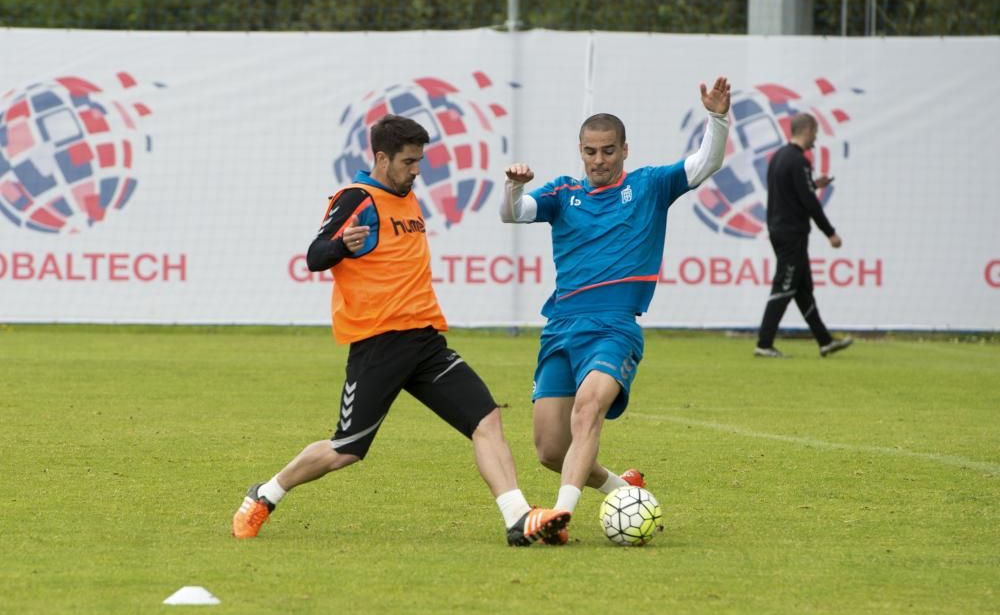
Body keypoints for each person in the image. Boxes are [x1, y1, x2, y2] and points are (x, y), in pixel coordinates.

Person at [232, 114, 569, 546]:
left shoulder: (407, 195)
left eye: (420, 161)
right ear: (381, 157)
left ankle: (518, 518)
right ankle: (265, 494)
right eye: (408, 162)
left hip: (425, 340)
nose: (416, 170)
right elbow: (316, 256)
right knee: (346, 450)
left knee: (486, 419)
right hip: (379, 345)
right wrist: (341, 247)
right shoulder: (357, 197)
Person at [500, 77, 732, 542]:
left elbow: (706, 162)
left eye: (608, 150)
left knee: (587, 410)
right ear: (580, 151)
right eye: (590, 151)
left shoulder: (649, 186)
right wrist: (512, 186)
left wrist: (718, 117)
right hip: (561, 328)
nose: (599, 160)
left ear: (625, 149)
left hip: (614, 328)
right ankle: (621, 488)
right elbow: (513, 213)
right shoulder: (564, 194)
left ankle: (559, 516)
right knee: (549, 448)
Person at [754, 112, 853, 359]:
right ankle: (764, 344)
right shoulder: (799, 161)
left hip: (778, 229)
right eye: (815, 133)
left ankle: (825, 341)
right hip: (792, 233)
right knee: (785, 285)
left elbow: (791, 190)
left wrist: (813, 184)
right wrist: (830, 233)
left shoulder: (779, 157)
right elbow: (809, 202)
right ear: (807, 129)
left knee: (802, 288)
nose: (816, 140)